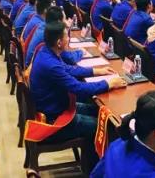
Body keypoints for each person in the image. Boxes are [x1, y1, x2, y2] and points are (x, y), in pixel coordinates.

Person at [28, 21, 126, 172]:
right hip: (55, 119)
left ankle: (91, 164)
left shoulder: (45, 51)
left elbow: (68, 69)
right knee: (102, 126)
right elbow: (78, 88)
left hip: (56, 106)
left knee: (98, 111)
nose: (68, 39)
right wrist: (108, 84)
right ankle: (93, 170)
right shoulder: (50, 64)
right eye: (66, 36)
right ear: (59, 42)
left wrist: (95, 71)